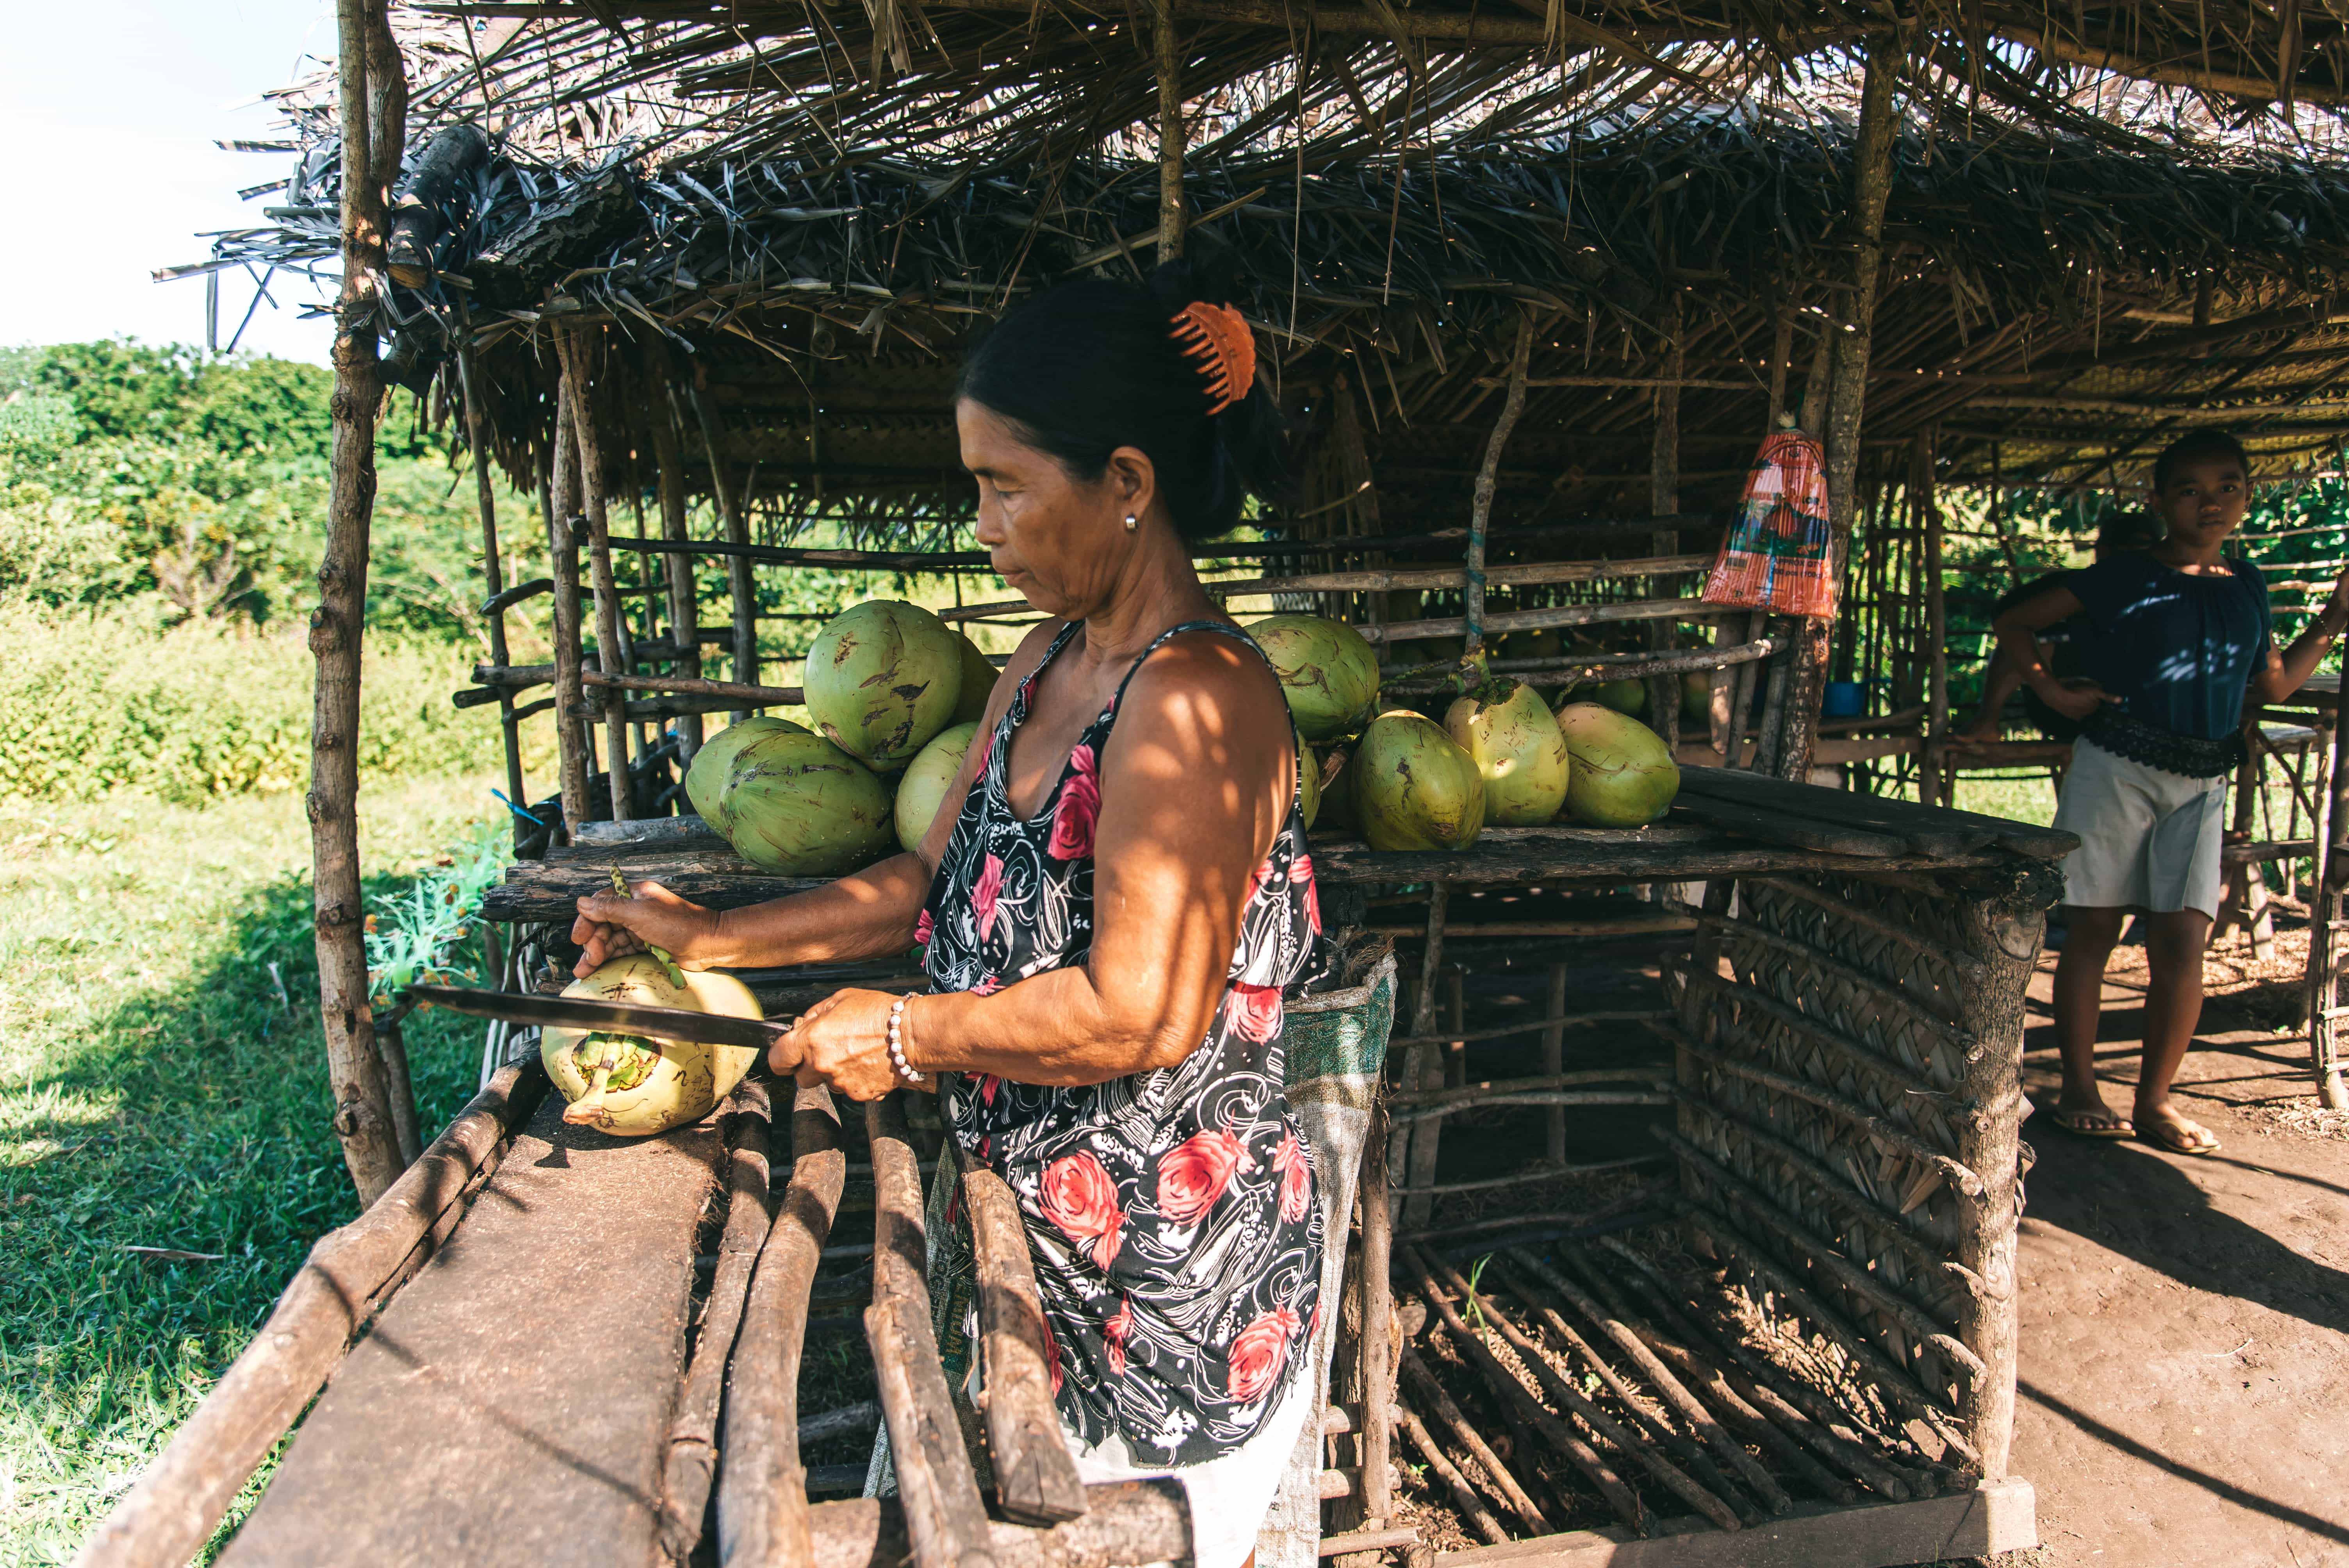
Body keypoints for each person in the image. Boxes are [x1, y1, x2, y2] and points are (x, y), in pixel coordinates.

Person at [569, 261, 1324, 1568]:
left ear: (1128, 484)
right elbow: (929, 879)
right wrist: (702, 936)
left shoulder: (1197, 696)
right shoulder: (1042, 665)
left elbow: (1138, 1008)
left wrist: (911, 1036)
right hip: (1029, 1249)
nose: (979, 523)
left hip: (1167, 1290)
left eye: (1004, 485)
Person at [1994, 431, 2349, 1155]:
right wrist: (2053, 692)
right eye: (2189, 488)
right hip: (2116, 765)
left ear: (2248, 497)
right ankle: (2081, 1088)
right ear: (2158, 501)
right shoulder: (2127, 575)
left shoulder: (2247, 584)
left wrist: (2336, 618)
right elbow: (2015, 623)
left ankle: (2155, 1100)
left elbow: (2273, 684)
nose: (2210, 501)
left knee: (2184, 938)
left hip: (2202, 779)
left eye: (2227, 486)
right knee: (2094, 929)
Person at [1957, 511, 2164, 743]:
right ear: (2102, 554)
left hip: (2148, 715)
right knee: (2018, 647)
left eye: (2142, 554)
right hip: (2069, 707)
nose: (2132, 566)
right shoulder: (2073, 591)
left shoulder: (2172, 599)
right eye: (2126, 554)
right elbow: (2009, 619)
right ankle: (1987, 722)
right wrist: (2056, 692)